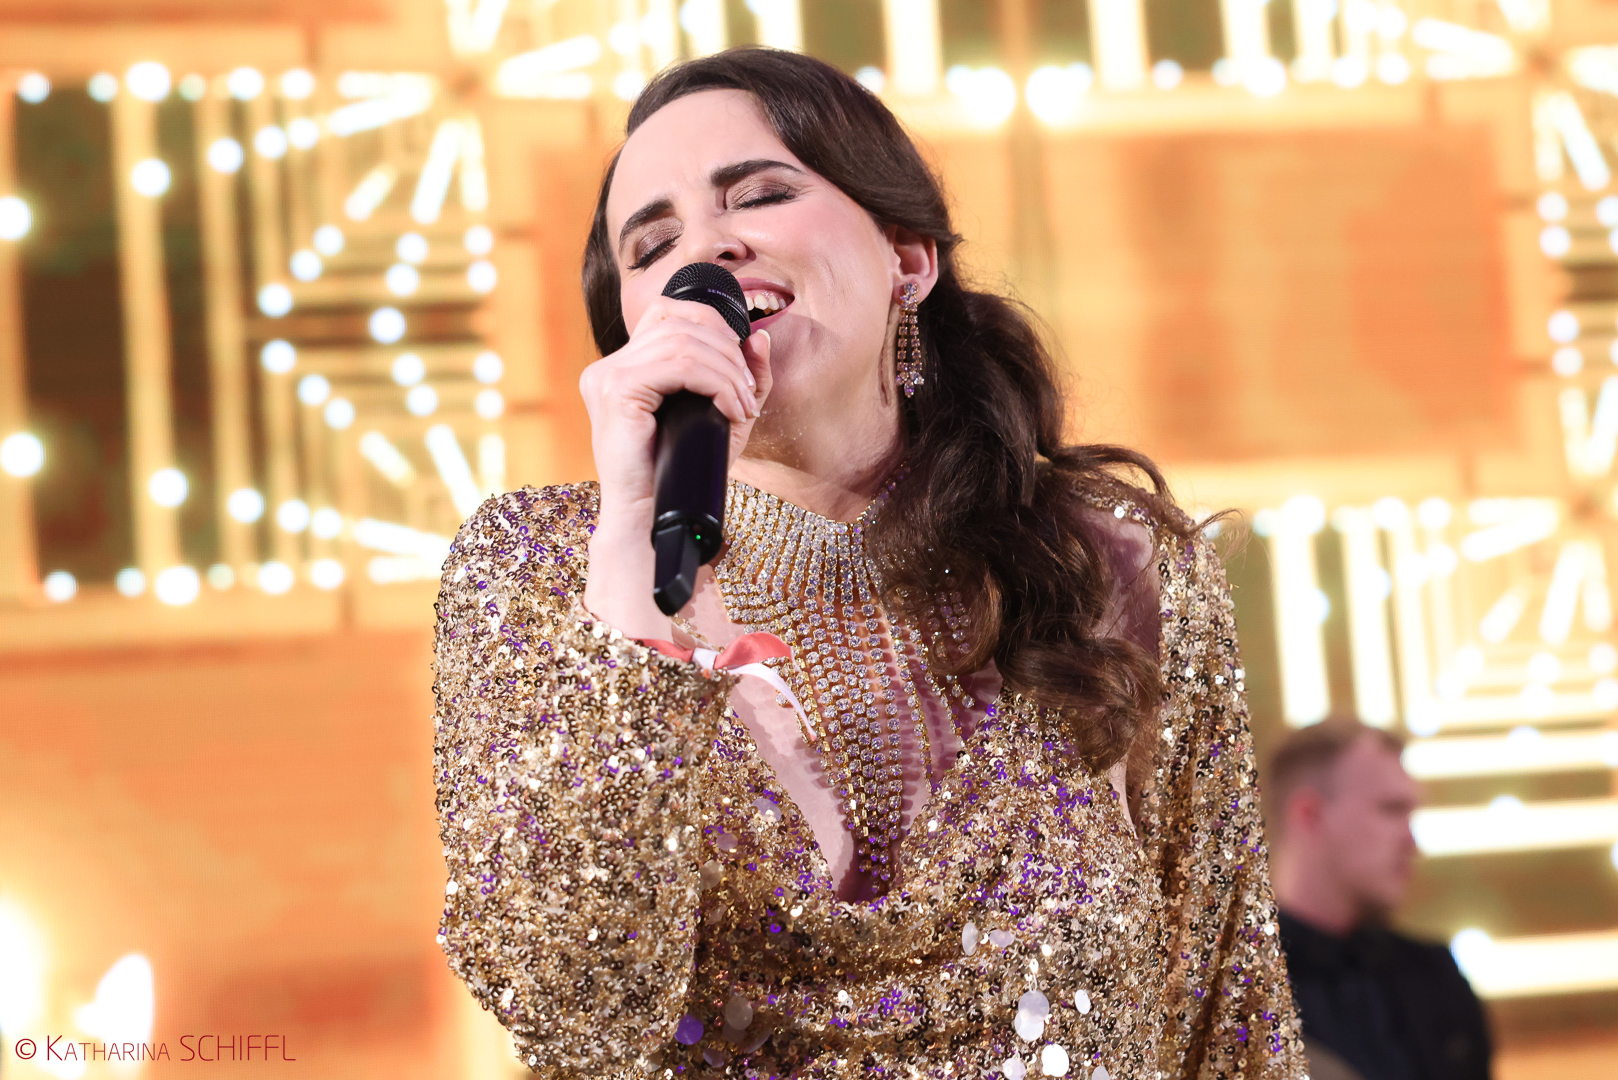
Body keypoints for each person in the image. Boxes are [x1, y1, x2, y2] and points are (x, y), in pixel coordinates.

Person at [432, 48, 1304, 1078]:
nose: (705, 251)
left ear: (908, 259)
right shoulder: (538, 571)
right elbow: (574, 1009)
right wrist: (634, 539)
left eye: (759, 194)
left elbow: (1228, 1021)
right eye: (654, 244)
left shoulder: (1107, 561)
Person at [1265, 717, 1492, 1080]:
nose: (1411, 842)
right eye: (1391, 810)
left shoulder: (1436, 978)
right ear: (1310, 814)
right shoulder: (1232, 993)